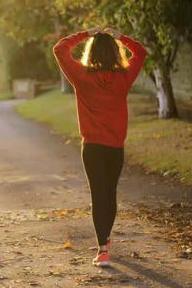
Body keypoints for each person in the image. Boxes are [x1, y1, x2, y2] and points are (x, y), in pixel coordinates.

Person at [53, 26, 147, 267]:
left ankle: (103, 248)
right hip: (115, 147)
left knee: (98, 194)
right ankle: (105, 239)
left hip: (92, 148)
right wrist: (121, 37)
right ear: (115, 53)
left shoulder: (82, 77)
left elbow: (60, 49)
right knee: (110, 193)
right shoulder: (123, 78)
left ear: (91, 52)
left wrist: (86, 33)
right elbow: (141, 52)